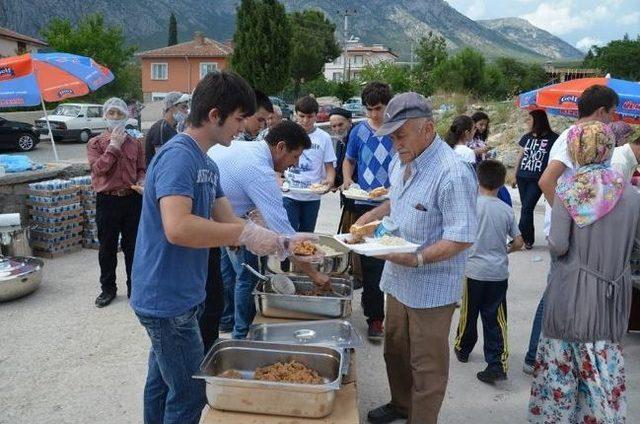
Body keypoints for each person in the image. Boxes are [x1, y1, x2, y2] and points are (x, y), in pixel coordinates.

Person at [130, 72, 311, 424]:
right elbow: (178, 227)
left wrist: (281, 241)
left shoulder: (208, 165)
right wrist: (246, 235)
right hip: (165, 296)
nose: (243, 128)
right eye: (239, 118)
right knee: (189, 392)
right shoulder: (178, 157)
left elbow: (231, 224)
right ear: (215, 115)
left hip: (185, 293)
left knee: (162, 383)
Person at [360, 92, 477, 424]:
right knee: (394, 351)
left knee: (426, 365)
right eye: (392, 135)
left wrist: (419, 259)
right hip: (397, 278)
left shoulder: (453, 172)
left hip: (431, 286)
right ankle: (401, 406)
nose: (395, 143)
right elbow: (397, 202)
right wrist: (375, 215)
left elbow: (462, 236)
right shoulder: (403, 159)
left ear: (428, 128)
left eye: (400, 134)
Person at [528, 121, 639, 423]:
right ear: (608, 147)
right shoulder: (631, 194)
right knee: (604, 362)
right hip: (614, 291)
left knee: (563, 367)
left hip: (573, 293)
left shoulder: (567, 190)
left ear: (577, 149)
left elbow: (559, 246)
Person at [524, 84, 620, 375]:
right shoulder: (573, 138)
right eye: (612, 114)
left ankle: (546, 357)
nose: (612, 121)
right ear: (601, 111)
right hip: (568, 233)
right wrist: (572, 219)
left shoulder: (579, 136)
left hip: (570, 229)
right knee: (556, 294)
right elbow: (546, 181)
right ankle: (533, 357)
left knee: (560, 293)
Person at [209, 120, 330, 339]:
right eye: (295, 156)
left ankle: (227, 323)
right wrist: (314, 275)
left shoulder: (248, 147)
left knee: (228, 276)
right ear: (280, 147)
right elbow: (286, 237)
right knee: (246, 277)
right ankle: (241, 334)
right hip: (213, 225)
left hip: (223, 222)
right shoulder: (261, 171)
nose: (295, 164)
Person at [454, 159, 524, 384]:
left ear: (477, 180)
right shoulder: (506, 210)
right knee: (496, 318)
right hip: (497, 273)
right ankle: (496, 363)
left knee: (468, 312)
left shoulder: (470, 205)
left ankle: (463, 349)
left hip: (473, 271)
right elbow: (519, 241)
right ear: (502, 183)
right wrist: (508, 250)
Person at [340, 82, 394, 340]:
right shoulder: (359, 131)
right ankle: (375, 318)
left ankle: (388, 312)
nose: (374, 114)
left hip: (392, 203)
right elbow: (349, 160)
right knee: (371, 264)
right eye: (370, 109)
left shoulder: (397, 130)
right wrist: (348, 179)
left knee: (390, 261)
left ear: (388, 106)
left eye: (379, 108)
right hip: (363, 203)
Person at [87, 97, 145, 308]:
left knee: (133, 247)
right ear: (104, 116)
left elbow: (141, 168)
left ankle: (135, 288)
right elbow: (98, 169)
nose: (115, 117)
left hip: (131, 199)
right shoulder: (95, 144)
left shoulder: (136, 143)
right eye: (111, 113)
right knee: (107, 248)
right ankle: (108, 289)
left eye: (119, 114)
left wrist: (141, 179)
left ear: (126, 116)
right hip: (107, 201)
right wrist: (113, 146)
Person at [283, 95, 336, 232]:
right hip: (290, 194)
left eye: (310, 116)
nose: (306, 121)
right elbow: (277, 163)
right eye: (301, 116)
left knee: (307, 235)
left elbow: (329, 167)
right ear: (295, 114)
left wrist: (329, 182)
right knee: (290, 234)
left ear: (316, 116)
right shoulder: (287, 133)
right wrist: (278, 179)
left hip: (312, 196)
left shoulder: (324, 138)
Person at [515, 109, 559, 249]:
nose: (527, 122)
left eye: (530, 119)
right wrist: (514, 174)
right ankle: (528, 239)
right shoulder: (527, 137)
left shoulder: (553, 138)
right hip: (522, 176)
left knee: (527, 207)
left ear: (537, 121)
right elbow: (520, 156)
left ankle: (519, 238)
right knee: (526, 209)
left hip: (538, 179)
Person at [329, 107, 355, 232]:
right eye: (333, 126)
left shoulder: (355, 139)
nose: (337, 129)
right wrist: (334, 183)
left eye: (340, 124)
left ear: (350, 121)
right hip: (347, 197)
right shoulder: (341, 141)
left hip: (356, 197)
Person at [144, 92, 189, 167]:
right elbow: (161, 160)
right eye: (183, 107)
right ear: (171, 107)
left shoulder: (173, 128)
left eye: (187, 108)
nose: (186, 111)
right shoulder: (161, 128)